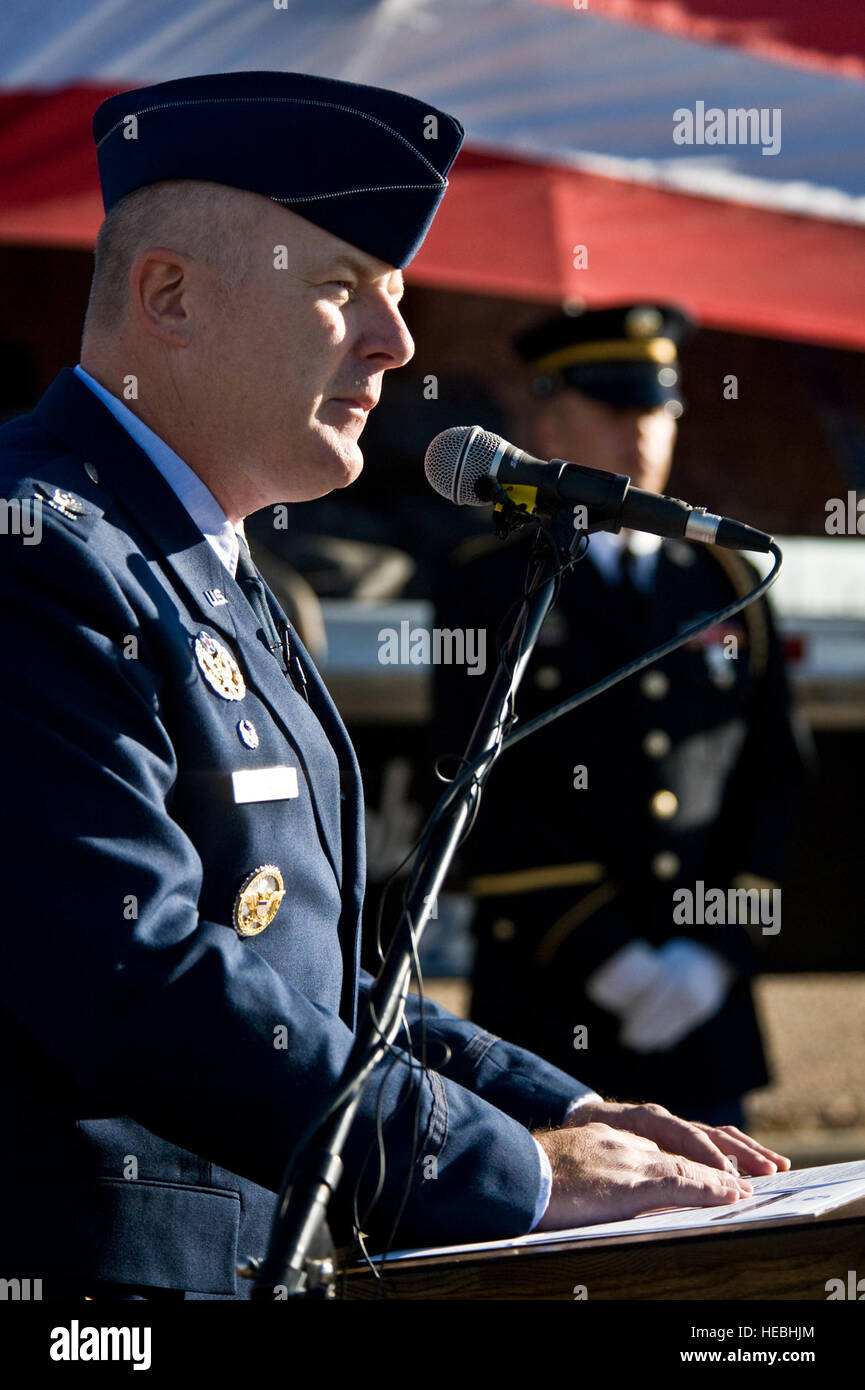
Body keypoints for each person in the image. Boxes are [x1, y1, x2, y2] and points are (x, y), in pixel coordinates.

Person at [0, 76, 786, 1302]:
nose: (397, 343)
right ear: (170, 297)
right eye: (340, 287)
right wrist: (514, 1169)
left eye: (398, 298)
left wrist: (567, 1106)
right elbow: (133, 975)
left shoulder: (199, 556)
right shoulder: (40, 554)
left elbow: (313, 982)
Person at [435, 304, 811, 1128]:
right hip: (549, 1002)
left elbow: (772, 774)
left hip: (702, 1016)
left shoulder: (722, 581)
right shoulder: (488, 584)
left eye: (656, 409)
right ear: (549, 415)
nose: (638, 433)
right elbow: (478, 785)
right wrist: (612, 959)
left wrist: (714, 950)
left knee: (721, 1244)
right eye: (612, 408)